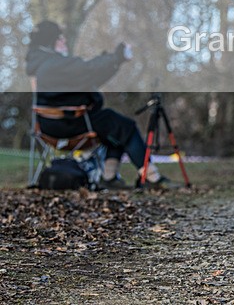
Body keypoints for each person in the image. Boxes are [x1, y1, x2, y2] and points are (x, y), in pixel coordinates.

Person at [25, 20, 171, 189]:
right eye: (60, 37)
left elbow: (91, 76)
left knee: (113, 126)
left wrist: (115, 61)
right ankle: (151, 176)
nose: (64, 40)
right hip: (70, 125)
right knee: (126, 127)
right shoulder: (55, 65)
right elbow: (89, 69)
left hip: (47, 127)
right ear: (50, 41)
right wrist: (116, 56)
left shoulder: (39, 65)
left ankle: (110, 177)